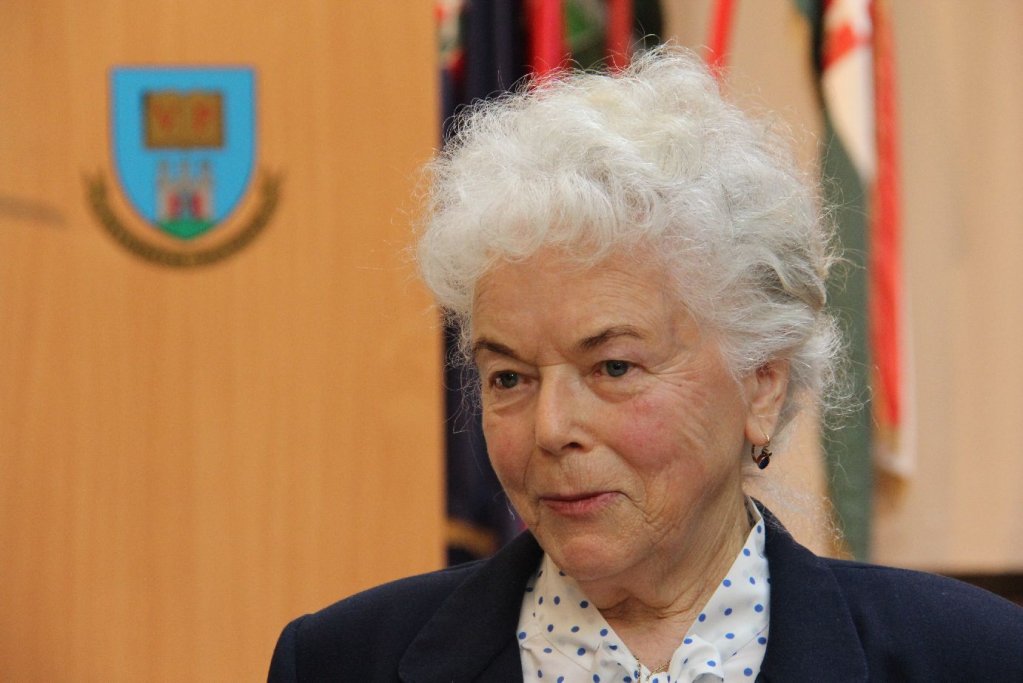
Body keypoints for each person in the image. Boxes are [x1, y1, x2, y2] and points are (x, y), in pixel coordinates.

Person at [268, 47, 1023, 682]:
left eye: (613, 367)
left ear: (761, 382)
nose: (550, 429)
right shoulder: (341, 662)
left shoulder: (974, 658)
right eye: (510, 378)